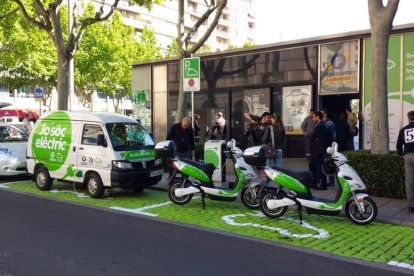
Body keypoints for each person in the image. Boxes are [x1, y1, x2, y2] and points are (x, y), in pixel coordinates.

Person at [396, 110, 414, 213]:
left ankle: (411, 206)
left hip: (407, 157)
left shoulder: (403, 130)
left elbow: (398, 146)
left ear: (408, 118)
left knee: (409, 182)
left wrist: (401, 154)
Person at [309, 111, 328, 190]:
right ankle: (314, 183)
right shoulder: (318, 125)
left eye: (313, 117)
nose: (312, 118)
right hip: (315, 149)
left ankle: (323, 184)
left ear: (317, 117)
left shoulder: (321, 125)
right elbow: (314, 137)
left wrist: (314, 138)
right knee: (312, 166)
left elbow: (313, 136)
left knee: (318, 168)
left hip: (318, 150)